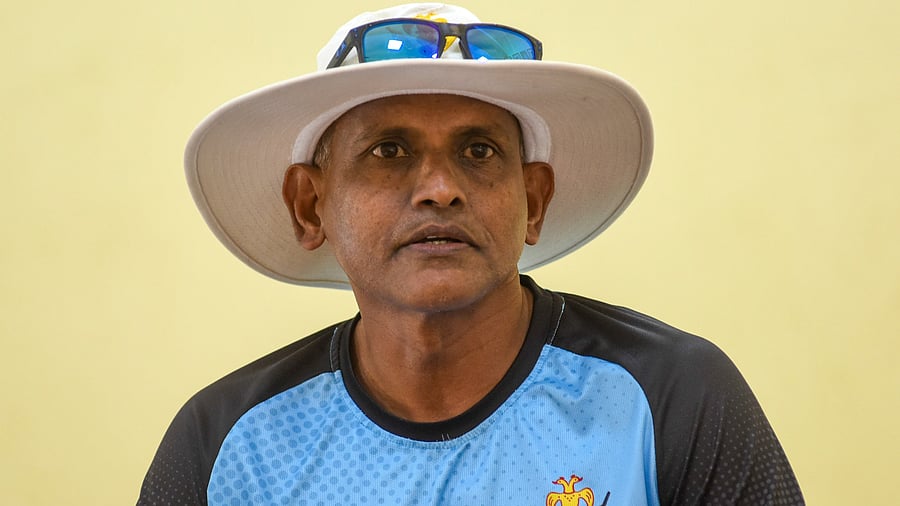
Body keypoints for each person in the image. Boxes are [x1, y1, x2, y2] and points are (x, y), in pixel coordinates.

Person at [139, 3, 804, 505]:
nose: (439, 190)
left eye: (478, 151)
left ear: (533, 200)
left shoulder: (670, 399)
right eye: (389, 151)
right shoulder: (230, 447)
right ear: (310, 206)